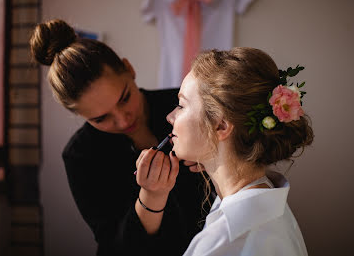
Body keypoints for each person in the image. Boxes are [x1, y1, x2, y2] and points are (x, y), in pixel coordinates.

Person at [29, 19, 209, 256]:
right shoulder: (81, 155)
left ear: (129, 69)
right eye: (100, 119)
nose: (124, 122)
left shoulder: (184, 105)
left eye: (124, 99)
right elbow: (117, 246)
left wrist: (214, 159)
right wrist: (152, 196)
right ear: (79, 115)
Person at [166, 47, 314, 256]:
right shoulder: (268, 202)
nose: (170, 117)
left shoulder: (225, 242)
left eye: (181, 105)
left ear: (221, 126)